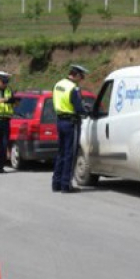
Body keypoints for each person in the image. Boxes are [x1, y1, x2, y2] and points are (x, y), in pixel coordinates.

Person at [52, 65, 89, 193]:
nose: (81, 79)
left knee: (61, 152)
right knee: (70, 154)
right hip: (70, 123)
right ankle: (66, 185)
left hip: (60, 121)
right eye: (81, 76)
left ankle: (56, 183)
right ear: (77, 75)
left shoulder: (58, 84)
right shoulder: (73, 88)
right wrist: (85, 111)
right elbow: (78, 108)